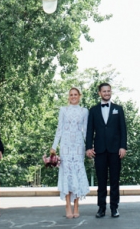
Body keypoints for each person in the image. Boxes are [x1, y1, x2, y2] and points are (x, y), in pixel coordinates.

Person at [86, 82, 127, 218]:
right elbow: (89, 130)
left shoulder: (118, 109)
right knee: (101, 181)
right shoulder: (93, 110)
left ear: (111, 92)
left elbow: (123, 130)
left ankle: (114, 208)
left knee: (115, 180)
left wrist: (123, 147)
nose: (107, 93)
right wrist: (88, 148)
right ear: (99, 93)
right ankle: (101, 208)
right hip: (100, 150)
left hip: (115, 150)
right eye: (104, 91)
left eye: (109, 91)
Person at [51, 87, 90, 219]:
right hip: (66, 145)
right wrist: (54, 146)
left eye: (75, 94)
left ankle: (77, 205)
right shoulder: (63, 110)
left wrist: (89, 147)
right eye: (71, 95)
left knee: (77, 173)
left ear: (80, 96)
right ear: (68, 97)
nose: (73, 96)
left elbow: (86, 130)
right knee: (67, 173)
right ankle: (67, 205)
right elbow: (59, 128)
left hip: (78, 145)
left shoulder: (84, 111)